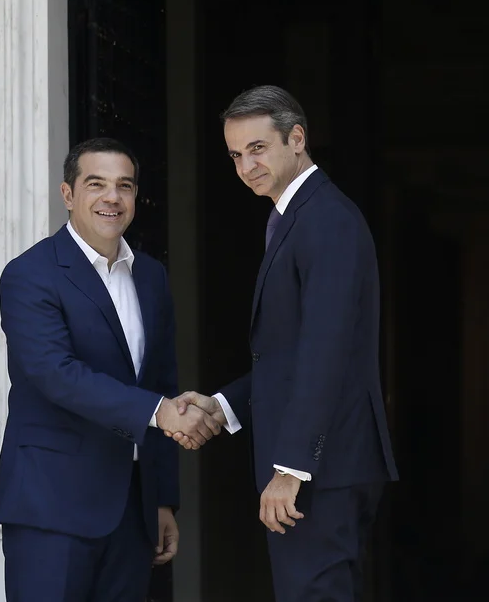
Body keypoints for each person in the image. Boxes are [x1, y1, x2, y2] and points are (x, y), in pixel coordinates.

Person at [172, 85, 399, 602]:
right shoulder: (293, 219)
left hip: (324, 467)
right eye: (235, 154)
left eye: (258, 148)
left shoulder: (326, 220)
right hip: (323, 466)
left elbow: (327, 352)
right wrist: (224, 404)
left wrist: (292, 467)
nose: (246, 165)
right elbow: (289, 359)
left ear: (296, 138)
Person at [0, 137, 221, 602]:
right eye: (96, 184)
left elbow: (160, 381)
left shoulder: (151, 276)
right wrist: (161, 411)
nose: (112, 198)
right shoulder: (30, 274)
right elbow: (54, 372)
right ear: (68, 194)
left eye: (124, 186)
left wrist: (161, 498)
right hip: (51, 507)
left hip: (131, 512)